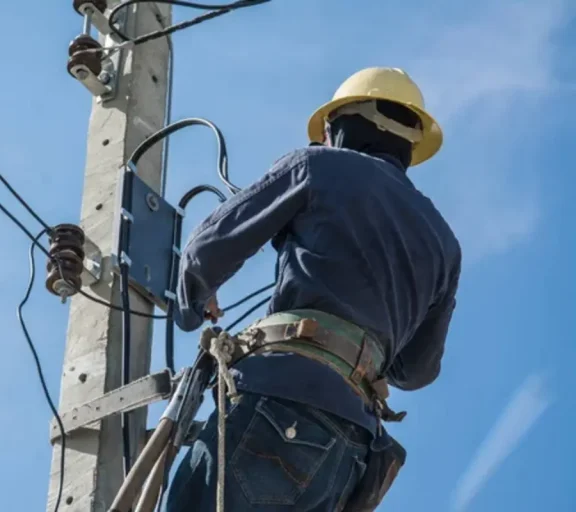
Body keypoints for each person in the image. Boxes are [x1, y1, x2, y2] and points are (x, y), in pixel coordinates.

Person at [164, 67, 462, 511]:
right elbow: (415, 372)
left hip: (280, 404)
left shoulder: (317, 166)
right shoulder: (444, 243)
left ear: (344, 123)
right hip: (351, 450)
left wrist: (191, 302)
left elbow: (207, 251)